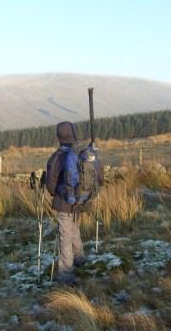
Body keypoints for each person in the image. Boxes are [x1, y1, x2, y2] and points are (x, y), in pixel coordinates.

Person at [45, 121, 104, 284]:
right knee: (74, 228)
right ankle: (79, 258)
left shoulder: (57, 157)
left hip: (65, 203)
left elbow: (50, 186)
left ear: (59, 137)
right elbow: (100, 178)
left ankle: (66, 273)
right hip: (82, 202)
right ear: (74, 134)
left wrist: (57, 193)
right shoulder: (85, 154)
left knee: (65, 235)